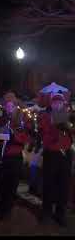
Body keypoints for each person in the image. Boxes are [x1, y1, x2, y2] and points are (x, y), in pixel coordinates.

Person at [0, 92, 31, 221]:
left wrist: (14, 135)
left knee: (12, 185)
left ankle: (7, 208)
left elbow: (26, 137)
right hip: (2, 156)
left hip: (15, 156)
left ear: (15, 105)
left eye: (11, 105)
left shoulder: (21, 119)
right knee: (1, 184)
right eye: (7, 105)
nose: (9, 107)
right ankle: (0, 207)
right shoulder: (1, 119)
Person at [39, 92, 73, 226]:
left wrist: (68, 126)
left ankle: (60, 213)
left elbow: (72, 131)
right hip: (51, 154)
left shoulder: (68, 116)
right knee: (49, 184)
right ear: (51, 104)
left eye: (60, 102)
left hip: (65, 154)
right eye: (55, 102)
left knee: (63, 185)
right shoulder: (46, 116)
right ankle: (46, 212)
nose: (58, 104)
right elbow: (44, 135)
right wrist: (54, 126)